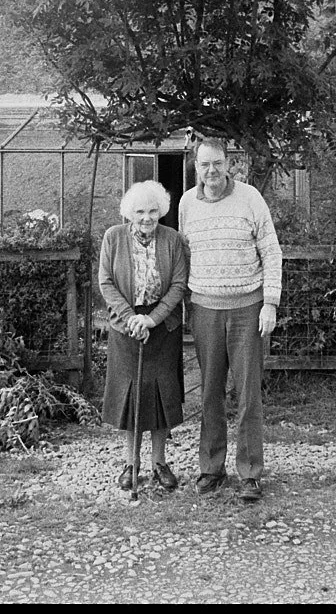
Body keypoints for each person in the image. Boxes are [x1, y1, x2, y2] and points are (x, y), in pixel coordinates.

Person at [177, 137, 282, 503]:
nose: (211, 171)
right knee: (210, 392)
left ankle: (250, 473)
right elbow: (186, 254)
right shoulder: (187, 203)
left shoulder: (251, 198)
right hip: (204, 309)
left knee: (248, 393)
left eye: (217, 163)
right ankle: (211, 468)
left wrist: (269, 303)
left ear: (228, 163)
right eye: (204, 165)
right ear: (196, 166)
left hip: (247, 310)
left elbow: (271, 251)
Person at [97, 179, 190, 493]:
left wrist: (152, 319)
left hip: (162, 326)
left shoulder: (173, 240)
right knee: (132, 395)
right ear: (129, 213)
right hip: (126, 325)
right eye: (140, 212)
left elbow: (179, 285)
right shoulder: (113, 237)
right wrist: (131, 317)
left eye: (153, 211)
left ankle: (160, 463)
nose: (147, 218)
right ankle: (131, 463)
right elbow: (106, 282)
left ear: (161, 211)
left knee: (161, 395)